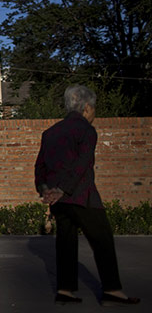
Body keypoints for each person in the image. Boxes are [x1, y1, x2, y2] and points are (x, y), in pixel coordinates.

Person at [34, 85, 140, 306]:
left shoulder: (50, 132)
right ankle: (112, 291)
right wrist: (63, 189)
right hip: (82, 196)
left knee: (66, 242)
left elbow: (40, 167)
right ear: (87, 108)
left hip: (58, 201)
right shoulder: (86, 130)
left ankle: (65, 291)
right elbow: (82, 165)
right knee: (102, 240)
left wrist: (46, 189)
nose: (94, 114)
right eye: (94, 109)